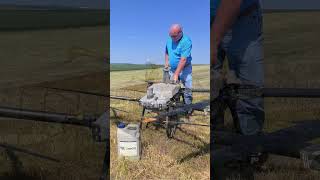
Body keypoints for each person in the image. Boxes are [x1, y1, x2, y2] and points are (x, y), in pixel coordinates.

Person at [211, 0, 264, 135]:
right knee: (210, 85)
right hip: (207, 19)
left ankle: (250, 143)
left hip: (243, 20)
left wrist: (213, 41)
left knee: (250, 89)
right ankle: (216, 136)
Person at [165, 24, 193, 106]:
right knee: (172, 89)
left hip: (185, 68)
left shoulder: (186, 41)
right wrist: (166, 62)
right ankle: (174, 107)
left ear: (180, 33)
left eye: (174, 36)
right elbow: (166, 51)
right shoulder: (169, 40)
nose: (172, 38)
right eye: (170, 36)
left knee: (187, 89)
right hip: (172, 69)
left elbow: (183, 59)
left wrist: (176, 74)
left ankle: (188, 108)